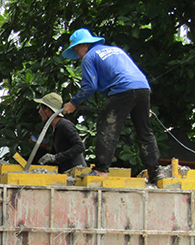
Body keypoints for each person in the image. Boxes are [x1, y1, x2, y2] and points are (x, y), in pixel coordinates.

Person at [61, 28, 163, 183]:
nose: (77, 54)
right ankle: (155, 173)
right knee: (145, 132)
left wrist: (73, 103)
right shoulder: (115, 50)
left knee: (106, 127)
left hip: (123, 90)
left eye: (76, 50)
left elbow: (90, 87)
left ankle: (101, 170)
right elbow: (128, 73)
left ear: (84, 45)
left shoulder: (89, 57)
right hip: (142, 88)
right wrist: (136, 106)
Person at [34, 92, 87, 173]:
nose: (39, 112)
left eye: (41, 108)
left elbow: (80, 146)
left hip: (76, 173)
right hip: (67, 173)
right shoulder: (56, 128)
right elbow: (55, 153)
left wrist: (56, 157)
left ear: (47, 110)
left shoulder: (64, 125)